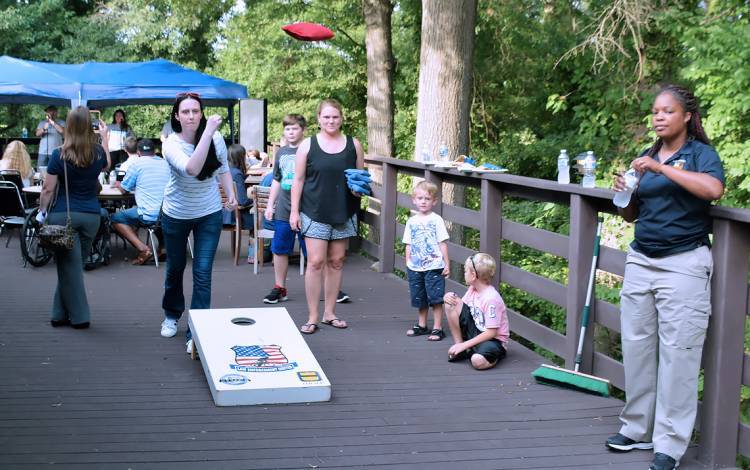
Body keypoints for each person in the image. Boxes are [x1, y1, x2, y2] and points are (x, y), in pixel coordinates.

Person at [606, 84, 725, 470]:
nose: (659, 117)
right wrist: (625, 192)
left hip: (684, 264)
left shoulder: (700, 155)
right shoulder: (647, 155)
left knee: (679, 355)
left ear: (686, 116)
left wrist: (661, 169)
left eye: (667, 111)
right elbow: (631, 214)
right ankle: (637, 428)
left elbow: (713, 190)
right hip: (642, 260)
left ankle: (669, 445)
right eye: (655, 111)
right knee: (638, 347)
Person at [158, 92, 237, 353]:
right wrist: (207, 133)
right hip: (176, 214)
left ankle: (197, 330)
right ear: (177, 116)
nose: (191, 116)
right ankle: (172, 314)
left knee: (202, 273)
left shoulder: (215, 138)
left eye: (195, 111)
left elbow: (223, 167)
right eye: (185, 112)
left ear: (201, 113)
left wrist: (232, 195)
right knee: (175, 268)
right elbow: (192, 169)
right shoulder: (171, 144)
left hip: (208, 213)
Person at [290, 99, 363, 334]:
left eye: (335, 117)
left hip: (344, 210)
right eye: (326, 117)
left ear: (342, 118)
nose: (331, 121)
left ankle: (330, 313)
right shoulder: (308, 146)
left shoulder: (354, 144)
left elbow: (360, 177)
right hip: (314, 210)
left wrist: (358, 189)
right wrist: (294, 211)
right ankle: (312, 316)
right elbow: (298, 180)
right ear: (318, 118)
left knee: (336, 261)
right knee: (315, 262)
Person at [37, 107, 111, 329]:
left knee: (69, 266)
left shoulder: (59, 154)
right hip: (91, 216)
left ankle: (80, 317)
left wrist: (42, 212)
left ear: (68, 126)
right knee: (72, 266)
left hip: (63, 216)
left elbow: (48, 189)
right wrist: (105, 139)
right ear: (90, 126)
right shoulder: (97, 152)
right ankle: (58, 314)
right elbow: (107, 164)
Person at [262, 114, 309, 303]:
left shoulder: (309, 149)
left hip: (307, 209)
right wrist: (270, 205)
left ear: (303, 130)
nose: (291, 132)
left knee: (313, 252)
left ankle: (325, 287)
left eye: (295, 128)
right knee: (280, 248)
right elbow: (277, 179)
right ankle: (280, 287)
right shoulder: (281, 152)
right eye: (288, 129)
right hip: (283, 208)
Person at [443, 253, 509, 370]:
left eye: (465, 271)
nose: (464, 274)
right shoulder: (473, 289)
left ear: (473, 275)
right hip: (477, 330)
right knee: (450, 301)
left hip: (493, 340)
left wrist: (465, 344)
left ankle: (492, 355)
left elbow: (491, 332)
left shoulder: (491, 298)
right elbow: (461, 307)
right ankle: (461, 349)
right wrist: (447, 297)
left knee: (477, 361)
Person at [403, 181, 450, 341]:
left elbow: (442, 243)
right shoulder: (411, 221)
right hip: (415, 266)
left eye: (427, 199)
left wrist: (447, 263)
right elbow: (408, 243)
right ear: (414, 200)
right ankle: (422, 325)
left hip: (434, 265)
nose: (423, 201)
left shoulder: (437, 220)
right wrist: (407, 261)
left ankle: (438, 328)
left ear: (434, 201)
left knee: (436, 297)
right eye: (420, 198)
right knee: (419, 296)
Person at [111, 139, 170, 265]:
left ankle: (143, 249)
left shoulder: (137, 164)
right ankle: (164, 247)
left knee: (116, 218)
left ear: (138, 152)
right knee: (158, 218)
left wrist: (118, 184)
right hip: (168, 213)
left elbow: (124, 190)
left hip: (148, 214)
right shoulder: (165, 164)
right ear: (155, 151)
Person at [222, 143, 253, 234]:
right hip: (234, 216)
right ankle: (254, 248)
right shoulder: (237, 174)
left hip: (221, 214)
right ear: (241, 157)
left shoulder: (222, 171)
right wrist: (254, 200)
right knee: (260, 218)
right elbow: (243, 201)